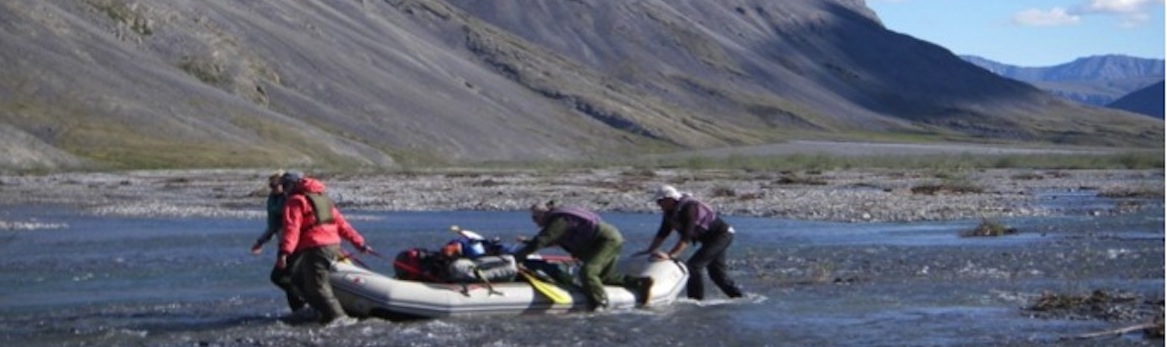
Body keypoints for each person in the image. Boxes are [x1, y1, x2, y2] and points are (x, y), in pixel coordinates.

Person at [512, 201, 653, 311]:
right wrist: (528, 243)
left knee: (588, 272)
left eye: (535, 217)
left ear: (543, 214)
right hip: (604, 240)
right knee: (604, 277)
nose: (534, 221)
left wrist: (516, 258)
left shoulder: (559, 220)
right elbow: (550, 240)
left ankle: (600, 305)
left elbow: (543, 240)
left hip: (605, 241)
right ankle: (640, 283)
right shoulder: (557, 222)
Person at [276, 171, 372, 326]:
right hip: (332, 245)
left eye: (285, 185)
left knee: (317, 287)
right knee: (300, 279)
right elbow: (342, 224)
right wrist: (359, 243)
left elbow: (291, 229)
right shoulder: (322, 199)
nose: (283, 190)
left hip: (316, 247)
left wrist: (284, 252)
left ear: (291, 185)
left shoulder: (295, 201)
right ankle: (320, 311)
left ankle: (340, 319)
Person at [634, 185, 743, 300]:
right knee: (717, 275)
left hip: (722, 235)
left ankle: (696, 301)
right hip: (709, 240)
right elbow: (663, 233)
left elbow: (687, 235)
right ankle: (738, 298)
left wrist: (671, 255)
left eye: (660, 201)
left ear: (670, 199)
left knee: (694, 266)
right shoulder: (669, 212)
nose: (659, 205)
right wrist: (650, 250)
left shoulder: (689, 208)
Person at [249, 171, 308, 316]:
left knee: (281, 277)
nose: (274, 188)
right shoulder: (272, 201)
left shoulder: (291, 198)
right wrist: (260, 242)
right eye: (272, 186)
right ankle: (299, 310)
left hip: (296, 243)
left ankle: (306, 300)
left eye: (276, 185)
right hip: (284, 244)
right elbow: (272, 225)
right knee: (286, 279)